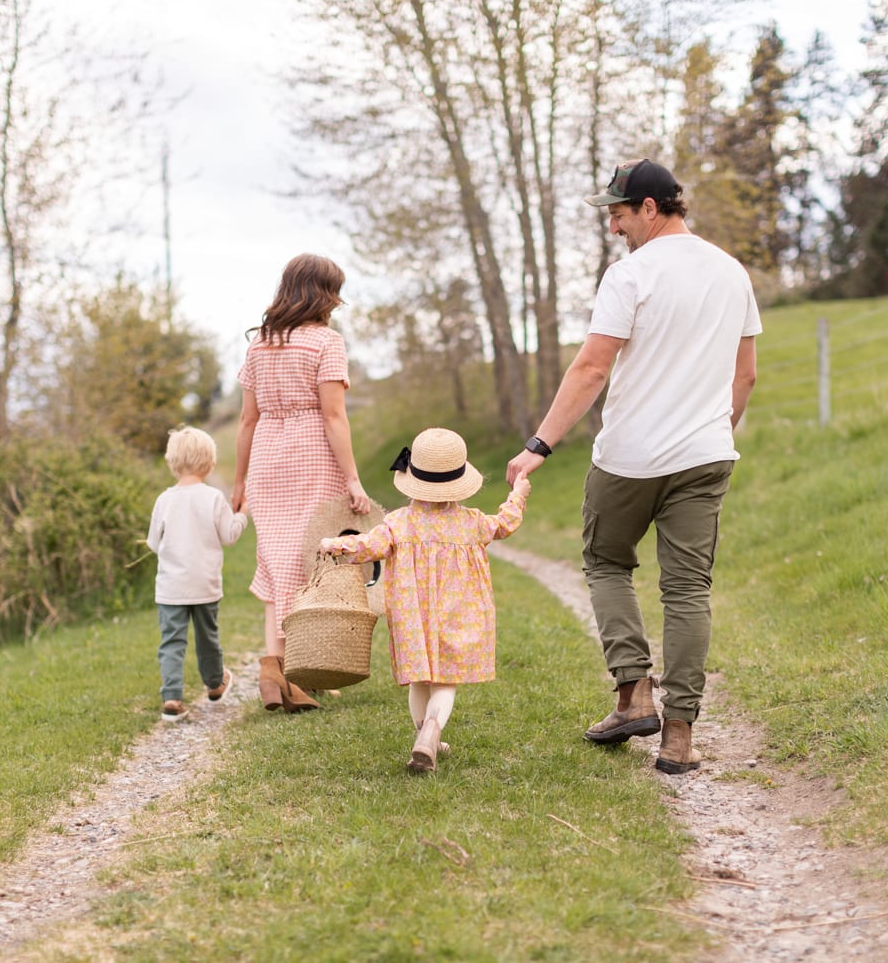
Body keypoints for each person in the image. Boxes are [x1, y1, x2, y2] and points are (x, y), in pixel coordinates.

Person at [505, 158, 760, 774]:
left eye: (618, 214)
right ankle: (679, 739)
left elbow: (592, 368)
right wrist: (709, 432)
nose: (614, 228)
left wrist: (538, 446)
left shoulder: (631, 275)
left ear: (650, 208)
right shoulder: (732, 272)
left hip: (630, 457)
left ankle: (632, 693)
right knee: (688, 589)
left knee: (607, 562)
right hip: (705, 456)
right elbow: (745, 373)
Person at [319, 428, 530, 773]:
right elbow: (505, 524)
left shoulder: (398, 523)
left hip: (411, 615)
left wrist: (336, 544)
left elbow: (368, 546)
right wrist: (518, 494)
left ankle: (423, 736)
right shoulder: (471, 522)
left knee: (419, 678)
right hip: (458, 614)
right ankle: (432, 732)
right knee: (445, 682)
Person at [233, 253, 371, 713]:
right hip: (311, 452)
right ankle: (286, 669)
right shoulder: (326, 343)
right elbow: (333, 415)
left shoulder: (260, 344)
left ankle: (284, 669)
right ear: (324, 294)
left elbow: (247, 421)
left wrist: (239, 482)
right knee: (307, 561)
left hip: (268, 456)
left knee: (278, 562)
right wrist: (352, 479)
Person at [146, 426, 249, 722]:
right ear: (210, 463)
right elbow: (229, 536)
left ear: (172, 462)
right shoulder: (213, 498)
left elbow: (154, 543)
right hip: (204, 584)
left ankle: (172, 697)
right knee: (208, 637)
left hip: (170, 588)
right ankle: (215, 683)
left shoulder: (163, 500)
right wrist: (242, 514)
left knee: (172, 642)